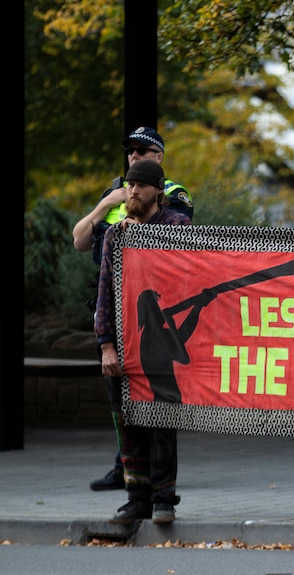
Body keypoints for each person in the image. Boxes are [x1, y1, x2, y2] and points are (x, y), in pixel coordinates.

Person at [73, 126, 193, 492]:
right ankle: (126, 474)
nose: (135, 156)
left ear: (159, 157)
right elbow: (80, 240)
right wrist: (108, 204)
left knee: (155, 407)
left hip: (153, 317)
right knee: (121, 407)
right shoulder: (116, 197)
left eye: (143, 150)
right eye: (130, 151)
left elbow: (181, 241)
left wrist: (137, 224)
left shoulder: (171, 195)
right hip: (113, 306)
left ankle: (160, 491)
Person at [94, 159, 191, 525]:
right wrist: (106, 344)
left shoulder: (176, 225)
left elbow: (183, 272)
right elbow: (105, 292)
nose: (132, 192)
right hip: (122, 341)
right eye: (130, 186)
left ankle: (163, 498)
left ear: (157, 191)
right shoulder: (114, 235)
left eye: (140, 186)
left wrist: (142, 240)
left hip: (159, 344)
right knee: (127, 422)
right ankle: (137, 499)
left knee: (161, 420)